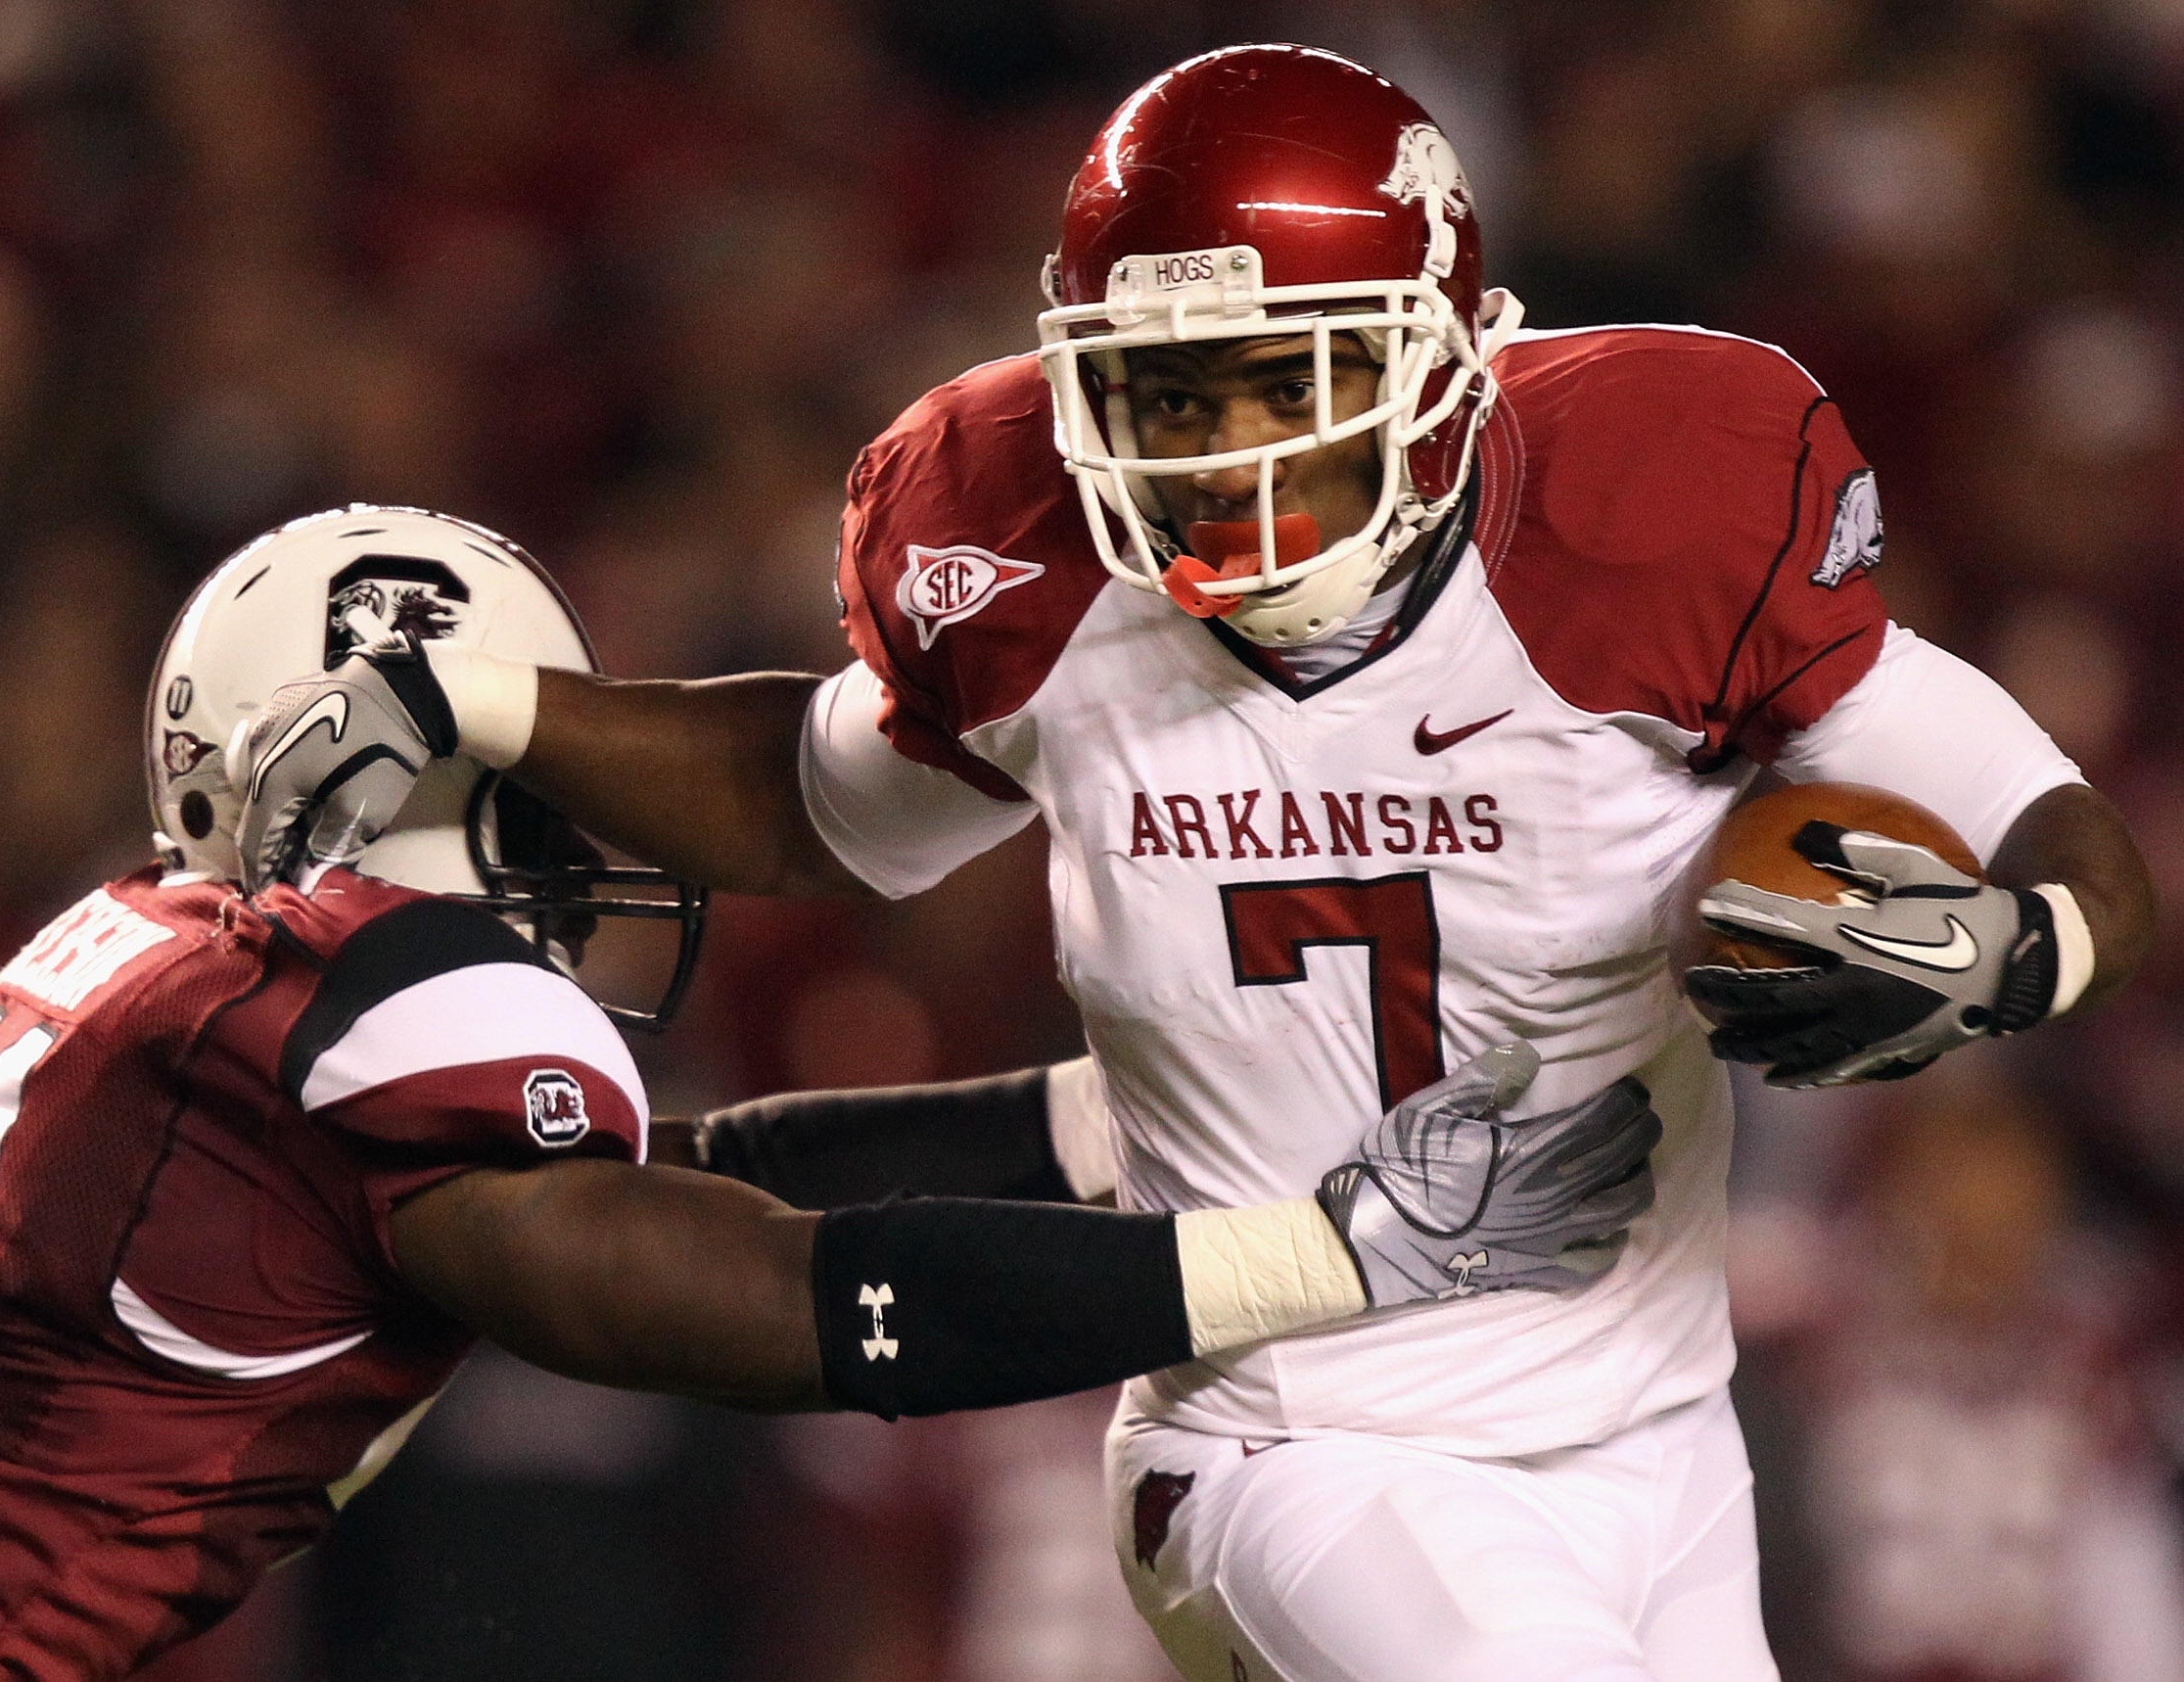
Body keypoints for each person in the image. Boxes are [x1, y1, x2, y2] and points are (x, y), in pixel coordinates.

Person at [237, 46, 2155, 1682]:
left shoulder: (1639, 515)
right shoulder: (1039, 582)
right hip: (1290, 1436)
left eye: (1279, 378)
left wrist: (2008, 951)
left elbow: (2040, 818)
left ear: (1445, 366)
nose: (1225, 457)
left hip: (1652, 1418)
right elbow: (815, 803)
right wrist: (491, 700)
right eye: (1172, 395)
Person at [0, 504, 1656, 1680]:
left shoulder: (183, 958)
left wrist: (1103, 1119)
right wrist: (1324, 1259)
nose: (593, 832)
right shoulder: (374, 993)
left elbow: (691, 1180)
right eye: (533, 777)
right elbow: (774, 1299)